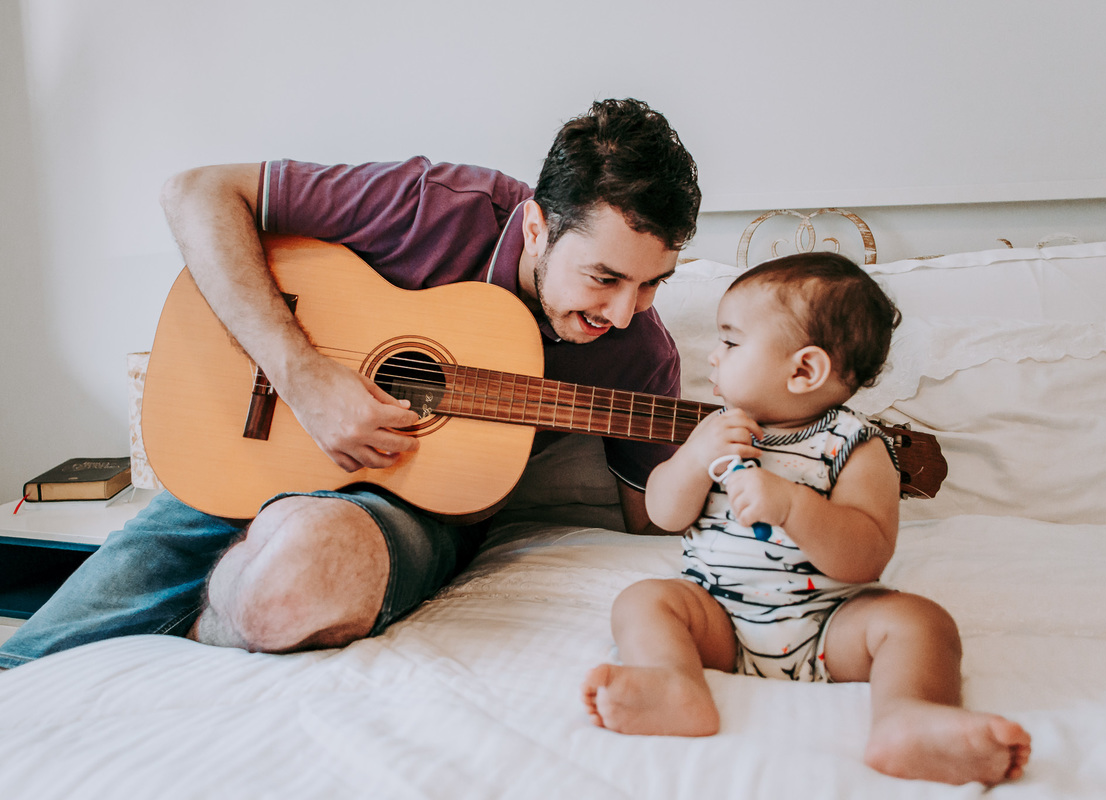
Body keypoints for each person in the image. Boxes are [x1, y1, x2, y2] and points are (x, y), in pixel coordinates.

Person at [0, 98, 701, 670]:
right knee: (27, 665)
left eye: (651, 283)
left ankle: (190, 648)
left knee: (292, 586)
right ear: (539, 227)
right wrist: (305, 380)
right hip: (255, 440)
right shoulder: (437, 204)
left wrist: (730, 464)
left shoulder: (642, 356)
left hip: (410, 512)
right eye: (604, 278)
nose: (622, 310)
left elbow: (650, 521)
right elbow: (196, 192)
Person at [580, 252, 1032, 786]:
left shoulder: (856, 448)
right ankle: (672, 683)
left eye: (730, 341)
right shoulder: (715, 431)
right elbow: (663, 513)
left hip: (828, 630)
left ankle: (908, 717)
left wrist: (793, 506)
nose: (713, 356)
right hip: (718, 620)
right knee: (645, 600)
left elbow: (866, 558)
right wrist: (693, 459)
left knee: (920, 622)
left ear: (804, 370)